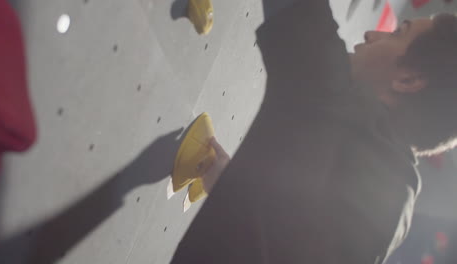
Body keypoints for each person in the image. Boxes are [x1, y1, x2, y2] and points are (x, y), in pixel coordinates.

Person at [171, 1, 457, 263]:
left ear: (408, 80)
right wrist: (235, 188)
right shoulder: (398, 213)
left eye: (397, 34)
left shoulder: (331, 96)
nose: (373, 35)